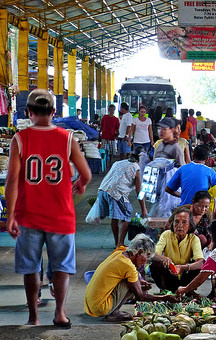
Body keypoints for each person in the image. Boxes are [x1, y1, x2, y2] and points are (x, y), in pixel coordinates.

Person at [5, 89, 92, 327]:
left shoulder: (20, 139)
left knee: (31, 267)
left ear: (28, 112)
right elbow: (85, 173)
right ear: (54, 112)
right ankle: (60, 313)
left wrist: (10, 214)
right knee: (62, 266)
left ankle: (33, 316)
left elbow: (12, 180)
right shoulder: (67, 138)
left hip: (28, 215)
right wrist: (80, 184)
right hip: (61, 216)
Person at [84, 234, 179, 322]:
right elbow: (141, 296)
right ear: (140, 252)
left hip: (90, 305)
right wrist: (165, 297)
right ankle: (114, 313)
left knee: (135, 278)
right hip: (100, 308)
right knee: (135, 276)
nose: (145, 261)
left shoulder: (120, 251)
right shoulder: (128, 266)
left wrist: (139, 283)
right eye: (147, 257)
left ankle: (114, 309)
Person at [96, 149, 147, 247]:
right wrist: (143, 208)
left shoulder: (118, 162)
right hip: (117, 193)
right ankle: (120, 243)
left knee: (115, 217)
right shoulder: (136, 168)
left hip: (104, 190)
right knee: (126, 217)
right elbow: (139, 191)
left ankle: (117, 243)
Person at [150, 206, 205, 292]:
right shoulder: (166, 235)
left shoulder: (194, 239)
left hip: (185, 278)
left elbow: (201, 262)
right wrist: (164, 258)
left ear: (190, 225)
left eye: (184, 222)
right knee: (155, 263)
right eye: (176, 222)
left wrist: (183, 267)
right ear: (172, 223)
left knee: (197, 266)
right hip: (169, 277)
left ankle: (189, 290)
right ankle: (164, 289)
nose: (180, 226)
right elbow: (154, 254)